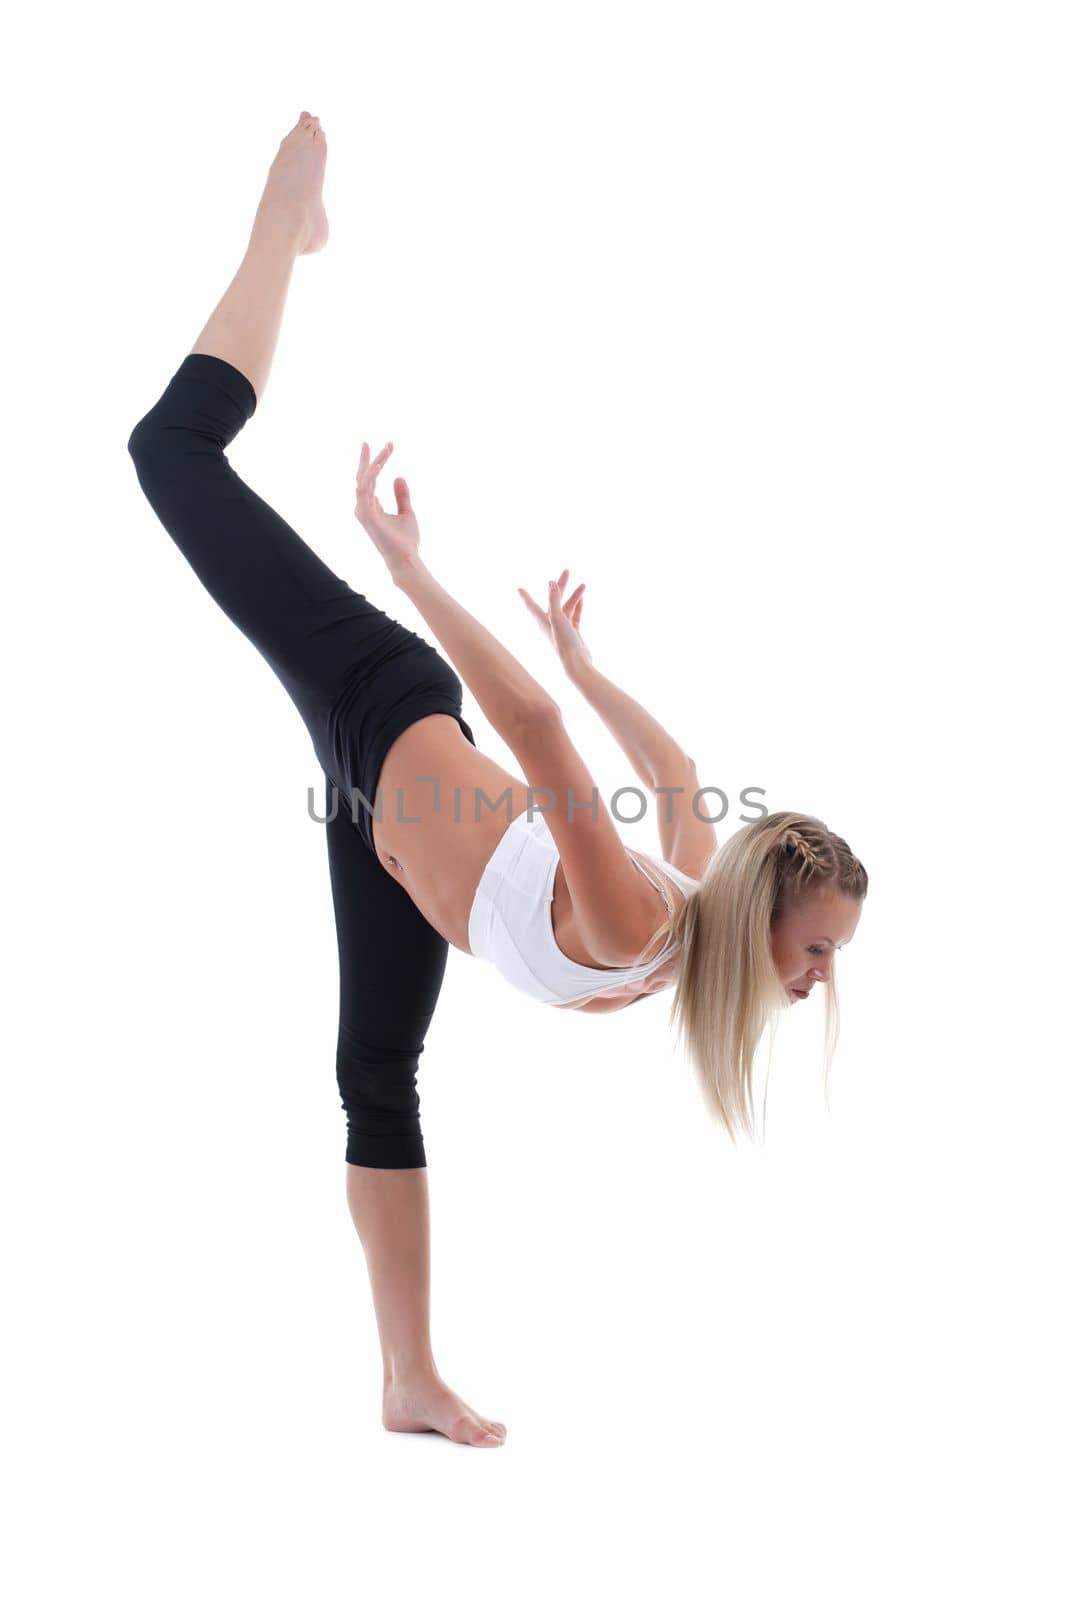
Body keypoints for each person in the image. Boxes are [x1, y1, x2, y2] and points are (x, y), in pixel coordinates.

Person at [127, 111, 868, 1450]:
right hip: (382, 702)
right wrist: (411, 574)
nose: (818, 980)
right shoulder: (646, 920)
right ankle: (287, 217)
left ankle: (407, 1378)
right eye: (816, 950)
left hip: (388, 837)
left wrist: (590, 663)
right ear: (769, 912)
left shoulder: (691, 910)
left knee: (376, 1075)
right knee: (170, 456)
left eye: (826, 963)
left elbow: (677, 766)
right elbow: (523, 723)